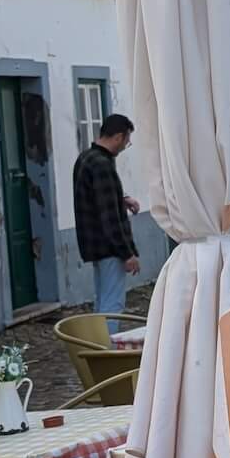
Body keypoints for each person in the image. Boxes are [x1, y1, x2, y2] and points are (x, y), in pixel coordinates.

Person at [74, 112, 141, 329]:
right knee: (112, 305)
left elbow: (96, 199)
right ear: (118, 137)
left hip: (93, 243)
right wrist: (127, 253)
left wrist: (122, 199)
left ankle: (96, 344)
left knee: (102, 302)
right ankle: (107, 347)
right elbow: (109, 217)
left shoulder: (85, 158)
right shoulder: (102, 165)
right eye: (127, 141)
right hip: (109, 246)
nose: (125, 146)